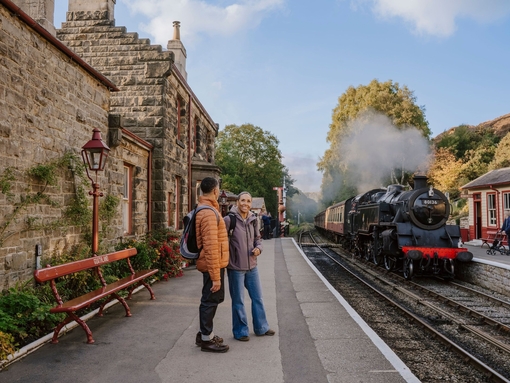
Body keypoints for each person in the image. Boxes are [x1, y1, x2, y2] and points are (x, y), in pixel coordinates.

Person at [224, 191, 275, 341]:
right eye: (243, 201)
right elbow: (221, 240)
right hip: (235, 267)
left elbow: (258, 239)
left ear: (251, 203)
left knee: (257, 297)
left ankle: (261, 327)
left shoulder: (253, 220)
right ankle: (241, 331)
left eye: (248, 201)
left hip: (252, 266)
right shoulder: (229, 220)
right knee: (238, 300)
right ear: (238, 202)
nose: (245, 204)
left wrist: (259, 248)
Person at [195, 177, 230, 353]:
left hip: (212, 264)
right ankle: (206, 340)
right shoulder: (208, 213)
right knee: (210, 300)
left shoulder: (206, 209)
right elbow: (210, 247)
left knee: (211, 299)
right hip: (212, 265)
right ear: (215, 191)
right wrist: (216, 277)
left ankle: (204, 334)